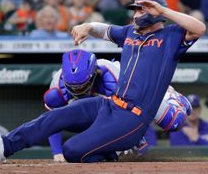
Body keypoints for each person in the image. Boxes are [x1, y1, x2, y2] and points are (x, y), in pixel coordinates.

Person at [0, 0, 205, 164]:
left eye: (141, 10)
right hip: (110, 105)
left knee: (71, 151)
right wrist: (86, 26)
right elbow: (104, 30)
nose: (136, 14)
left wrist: (163, 10)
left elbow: (199, 28)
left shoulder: (170, 36)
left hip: (132, 119)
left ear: (155, 12)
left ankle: (111, 153)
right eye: (135, 10)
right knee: (55, 117)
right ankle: (2, 148)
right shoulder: (130, 33)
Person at [44, 49, 190, 162]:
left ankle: (172, 97)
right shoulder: (57, 85)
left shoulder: (113, 78)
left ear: (95, 73)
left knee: (174, 121)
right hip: (101, 109)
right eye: (73, 87)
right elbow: (53, 121)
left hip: (140, 92)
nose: (78, 90)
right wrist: (57, 152)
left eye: (81, 86)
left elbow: (137, 111)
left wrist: (135, 136)